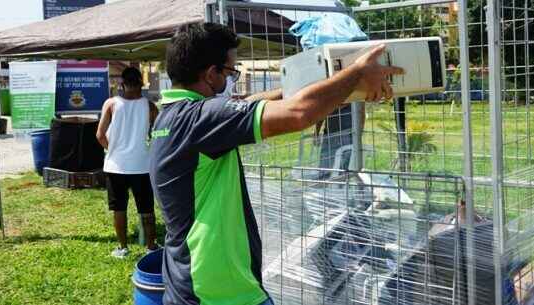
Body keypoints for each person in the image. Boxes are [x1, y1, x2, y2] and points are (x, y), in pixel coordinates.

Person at [149, 22, 403, 305]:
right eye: (231, 71)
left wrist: (322, 87)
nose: (232, 79)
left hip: (189, 280)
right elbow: (298, 114)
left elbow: (245, 102)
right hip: (219, 292)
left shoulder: (172, 116)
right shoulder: (202, 119)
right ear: (211, 74)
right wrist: (356, 74)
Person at [96, 67, 159, 258]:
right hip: (142, 165)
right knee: (147, 209)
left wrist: (112, 149)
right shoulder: (150, 106)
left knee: (119, 208)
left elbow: (99, 135)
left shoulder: (111, 104)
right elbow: (157, 136)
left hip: (116, 165)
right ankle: (151, 248)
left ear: (121, 84)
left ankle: (123, 248)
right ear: (141, 83)